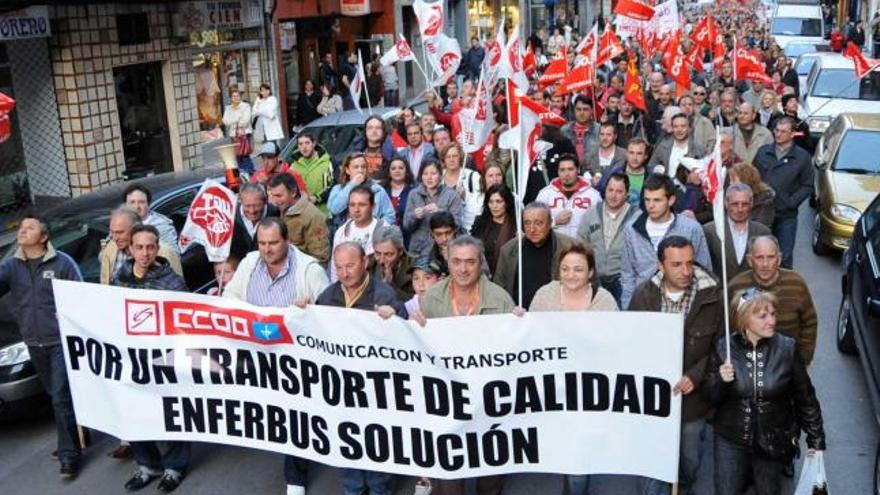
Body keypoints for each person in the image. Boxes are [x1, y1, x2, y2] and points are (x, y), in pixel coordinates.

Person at [223, 218, 330, 495]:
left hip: (296, 359)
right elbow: (229, 300)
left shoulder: (309, 271)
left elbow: (330, 313)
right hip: (258, 355)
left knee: (296, 415)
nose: (267, 249)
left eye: (273, 243)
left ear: (287, 240)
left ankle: (295, 478)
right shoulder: (248, 264)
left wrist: (308, 312)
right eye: (262, 243)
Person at [411, 236, 517, 495]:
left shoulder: (501, 299)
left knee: (490, 474)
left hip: (488, 400)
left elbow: (514, 352)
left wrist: (520, 325)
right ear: (448, 261)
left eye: (470, 262)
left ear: (480, 263)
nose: (463, 268)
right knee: (449, 478)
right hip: (448, 400)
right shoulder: (432, 297)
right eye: (456, 261)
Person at [703, 289, 825, 495]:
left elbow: (806, 398)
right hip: (730, 439)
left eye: (772, 314)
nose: (771, 321)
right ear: (743, 320)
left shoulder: (787, 349)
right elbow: (709, 396)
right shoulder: (724, 348)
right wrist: (721, 381)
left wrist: (816, 440)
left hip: (773, 438)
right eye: (762, 316)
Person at [629, 235, 723, 495]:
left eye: (690, 263)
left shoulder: (713, 296)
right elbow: (630, 343)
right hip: (653, 401)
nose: (686, 271)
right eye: (677, 264)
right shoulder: (643, 295)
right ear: (661, 266)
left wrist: (695, 375)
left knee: (689, 462)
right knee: (652, 465)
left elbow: (721, 347)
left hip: (694, 403)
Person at [0, 216, 83, 479]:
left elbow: (82, 298)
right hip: (33, 343)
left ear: (44, 237)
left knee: (59, 397)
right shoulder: (11, 266)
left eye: (30, 228)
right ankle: (77, 434)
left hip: (60, 341)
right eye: (21, 228)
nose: (23, 231)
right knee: (56, 396)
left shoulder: (63, 263)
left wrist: (70, 314)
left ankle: (69, 455)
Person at [114, 224, 191, 492]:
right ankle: (148, 464)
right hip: (133, 358)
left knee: (172, 412)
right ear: (131, 249)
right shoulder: (120, 276)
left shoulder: (172, 282)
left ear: (158, 249)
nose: (145, 253)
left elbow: (185, 322)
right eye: (139, 247)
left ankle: (174, 467)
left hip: (165, 358)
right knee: (134, 409)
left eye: (150, 247)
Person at [620, 174, 712, 309]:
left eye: (657, 200)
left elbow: (704, 271)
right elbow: (628, 275)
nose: (650, 206)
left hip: (683, 303)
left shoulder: (691, 229)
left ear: (671, 200)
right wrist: (628, 309)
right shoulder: (631, 229)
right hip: (644, 304)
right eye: (647, 200)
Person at [728, 235, 818, 365]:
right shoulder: (736, 286)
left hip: (788, 364)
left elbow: (809, 322)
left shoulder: (797, 283)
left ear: (779, 259)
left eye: (770, 257)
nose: (765, 264)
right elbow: (729, 328)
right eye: (759, 257)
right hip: (749, 366)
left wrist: (803, 358)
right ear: (750, 260)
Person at [753, 117, 813, 269]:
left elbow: (808, 185)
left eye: (783, 131)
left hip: (786, 215)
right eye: (777, 130)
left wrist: (791, 202)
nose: (778, 134)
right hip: (762, 212)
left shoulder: (802, 157)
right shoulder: (763, 152)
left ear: (792, 134)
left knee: (784, 257)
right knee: (759, 253)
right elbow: (752, 178)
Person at [494, 202, 576, 309]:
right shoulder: (509, 250)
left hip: (557, 314)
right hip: (519, 316)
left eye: (538, 223)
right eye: (527, 223)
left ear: (550, 223)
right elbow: (499, 289)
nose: (532, 229)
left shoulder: (569, 247)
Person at [577, 171, 639, 305]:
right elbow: (580, 246)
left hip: (622, 281)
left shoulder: (636, 217)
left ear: (627, 194)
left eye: (619, 191)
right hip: (595, 279)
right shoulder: (591, 213)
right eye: (610, 190)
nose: (613, 195)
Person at [703, 183, 771, 282]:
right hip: (720, 294)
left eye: (744, 204)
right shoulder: (710, 231)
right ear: (726, 203)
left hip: (753, 293)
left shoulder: (762, 232)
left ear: (751, 204)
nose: (740, 209)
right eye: (735, 204)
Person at [101, 205, 182, 284]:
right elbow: (105, 284)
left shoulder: (166, 253)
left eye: (120, 232)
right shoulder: (111, 248)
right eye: (112, 232)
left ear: (135, 229)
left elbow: (177, 291)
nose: (115, 238)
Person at [530, 242, 618, 313]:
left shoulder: (604, 301)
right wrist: (520, 318)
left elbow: (615, 332)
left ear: (590, 272)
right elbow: (531, 329)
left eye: (578, 270)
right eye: (565, 269)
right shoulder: (544, 295)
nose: (570, 275)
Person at [403, 159, 464, 255]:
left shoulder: (452, 195)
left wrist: (440, 212)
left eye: (433, 173)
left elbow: (458, 225)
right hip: (418, 249)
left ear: (440, 175)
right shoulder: (414, 194)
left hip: (443, 250)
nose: (429, 177)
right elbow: (406, 226)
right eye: (425, 174)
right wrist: (415, 216)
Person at [267, 173, 330, 264]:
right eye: (273, 196)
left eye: (279, 196)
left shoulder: (313, 216)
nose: (275, 201)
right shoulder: (283, 208)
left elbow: (320, 257)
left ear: (293, 192)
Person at [535, 153, 601, 239]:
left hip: (581, 249)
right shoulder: (545, 194)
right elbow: (535, 224)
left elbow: (601, 225)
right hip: (554, 250)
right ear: (558, 172)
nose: (566, 174)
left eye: (570, 169)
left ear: (578, 170)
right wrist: (554, 221)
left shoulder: (593, 195)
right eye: (562, 170)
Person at [330, 185, 386, 282]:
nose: (356, 210)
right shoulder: (341, 232)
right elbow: (335, 267)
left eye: (362, 205)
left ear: (373, 206)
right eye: (352, 205)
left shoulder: (384, 229)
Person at [327, 153, 396, 228]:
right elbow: (334, 209)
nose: (360, 170)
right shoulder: (338, 189)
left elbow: (390, 215)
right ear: (347, 170)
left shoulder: (377, 190)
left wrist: (375, 228)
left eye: (363, 167)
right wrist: (352, 184)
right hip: (346, 235)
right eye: (356, 167)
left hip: (371, 236)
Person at [470, 184, 516, 277]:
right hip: (483, 276)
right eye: (491, 202)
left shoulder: (516, 226)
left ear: (507, 203)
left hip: (506, 277)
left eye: (498, 201)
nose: (494, 206)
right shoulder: (480, 223)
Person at [648, 113, 707, 177]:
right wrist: (657, 170)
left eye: (683, 126)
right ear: (672, 128)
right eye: (676, 126)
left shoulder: (699, 149)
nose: (679, 130)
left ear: (689, 128)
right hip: (667, 185)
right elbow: (651, 166)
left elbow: (706, 172)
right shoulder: (663, 147)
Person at [440, 142, 483, 232]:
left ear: (460, 157)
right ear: (444, 159)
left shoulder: (473, 176)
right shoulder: (438, 177)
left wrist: (465, 197)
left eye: (455, 156)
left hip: (467, 228)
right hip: (443, 227)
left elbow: (480, 204)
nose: (451, 159)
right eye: (448, 157)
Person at [123, 184, 179, 250]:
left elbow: (172, 255)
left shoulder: (162, 226)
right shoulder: (120, 224)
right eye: (132, 202)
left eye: (141, 202)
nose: (136, 207)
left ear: (148, 204)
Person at [598, 137, 650, 206]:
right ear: (626, 154)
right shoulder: (612, 173)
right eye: (631, 153)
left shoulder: (652, 176)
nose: (635, 158)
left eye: (639, 153)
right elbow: (599, 195)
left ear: (645, 156)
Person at [288, 132, 334, 210]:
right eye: (300, 144)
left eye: (307, 143)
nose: (304, 147)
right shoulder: (293, 167)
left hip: (325, 212)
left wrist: (317, 198)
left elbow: (336, 186)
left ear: (314, 144)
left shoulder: (328, 161)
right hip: (303, 213)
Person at [371, 225, 415, 300]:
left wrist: (390, 286)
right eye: (377, 253)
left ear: (400, 251)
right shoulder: (369, 264)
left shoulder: (415, 266)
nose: (382, 260)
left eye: (388, 254)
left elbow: (415, 303)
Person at [729, 162, 776, 228]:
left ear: (745, 181)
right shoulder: (731, 197)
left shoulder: (765, 201)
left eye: (734, 181)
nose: (731, 184)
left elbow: (761, 227)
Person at [222, 88, 255, 173]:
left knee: (245, 154)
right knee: (237, 155)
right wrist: (237, 119)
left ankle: (250, 172)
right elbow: (225, 121)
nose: (235, 98)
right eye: (233, 96)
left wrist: (233, 120)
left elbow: (245, 121)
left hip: (244, 134)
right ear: (231, 98)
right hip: (234, 135)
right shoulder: (228, 108)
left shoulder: (246, 106)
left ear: (240, 97)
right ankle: (243, 172)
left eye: (237, 96)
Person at [561, 95, 600, 166]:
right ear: (574, 111)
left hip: (592, 171)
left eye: (585, 109)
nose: (581, 113)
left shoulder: (599, 130)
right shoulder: (564, 130)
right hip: (569, 170)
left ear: (591, 111)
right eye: (578, 109)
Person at [383, 156, 415, 229]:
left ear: (406, 171)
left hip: (407, 235)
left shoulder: (413, 192)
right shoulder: (382, 190)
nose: (397, 171)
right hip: (384, 235)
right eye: (393, 168)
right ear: (388, 172)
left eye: (401, 168)